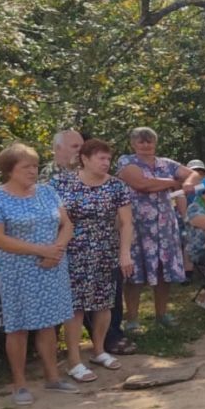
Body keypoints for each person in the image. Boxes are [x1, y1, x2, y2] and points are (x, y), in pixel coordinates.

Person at [0, 143, 78, 405]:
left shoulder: (47, 192)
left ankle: (52, 377)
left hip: (52, 266)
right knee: (19, 327)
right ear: (10, 170)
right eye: (26, 167)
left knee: (49, 323)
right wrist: (40, 250)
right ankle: (19, 384)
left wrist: (55, 251)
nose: (33, 171)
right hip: (18, 271)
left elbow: (66, 224)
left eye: (34, 165)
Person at [53, 139, 134, 382]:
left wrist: (125, 253)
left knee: (104, 303)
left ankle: (99, 350)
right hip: (73, 252)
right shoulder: (62, 183)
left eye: (108, 159)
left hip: (105, 252)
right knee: (76, 307)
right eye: (100, 158)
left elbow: (127, 223)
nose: (106, 163)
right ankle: (74, 360)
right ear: (85, 159)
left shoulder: (117, 187)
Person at [116, 128, 200, 331]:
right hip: (136, 228)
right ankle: (132, 319)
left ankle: (162, 314)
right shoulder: (126, 162)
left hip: (164, 228)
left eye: (150, 142)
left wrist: (187, 182)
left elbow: (194, 175)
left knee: (164, 272)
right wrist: (174, 182)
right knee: (134, 274)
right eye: (141, 142)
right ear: (133, 144)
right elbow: (142, 184)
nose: (146, 145)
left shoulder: (166, 163)